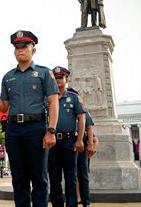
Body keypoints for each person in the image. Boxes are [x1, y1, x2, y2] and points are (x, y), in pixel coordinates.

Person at [0, 30, 59, 207]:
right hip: (13, 130)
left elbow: (53, 102)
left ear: (33, 50)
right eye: (17, 47)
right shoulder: (8, 77)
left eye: (24, 46)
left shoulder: (44, 73)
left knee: (39, 177)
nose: (20, 50)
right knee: (19, 178)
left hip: (36, 128)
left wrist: (51, 130)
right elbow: (3, 106)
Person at [48, 66, 86, 207]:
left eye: (60, 77)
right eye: (55, 77)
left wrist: (80, 139)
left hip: (69, 142)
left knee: (71, 178)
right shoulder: (47, 98)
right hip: (52, 143)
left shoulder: (74, 97)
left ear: (67, 79)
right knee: (54, 177)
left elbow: (81, 119)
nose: (58, 80)